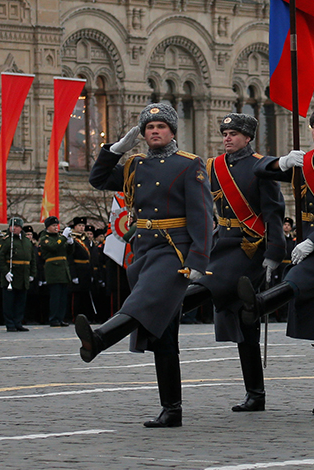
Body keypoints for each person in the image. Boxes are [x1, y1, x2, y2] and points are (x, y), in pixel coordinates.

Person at [76, 103, 213, 428]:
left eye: (160, 126)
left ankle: (99, 340)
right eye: (149, 127)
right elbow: (97, 179)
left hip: (174, 253)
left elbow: (202, 215)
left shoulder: (189, 165)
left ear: (172, 131)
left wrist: (198, 259)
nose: (154, 131)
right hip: (145, 251)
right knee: (163, 335)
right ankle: (172, 409)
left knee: (141, 303)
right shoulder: (135, 164)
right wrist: (114, 151)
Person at [239, 105, 314, 415]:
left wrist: (313, 241)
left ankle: (261, 304)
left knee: (299, 278)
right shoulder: (304, 162)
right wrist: (280, 161)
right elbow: (258, 170)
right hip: (307, 239)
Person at [179, 113, 284, 412]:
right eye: (225, 133)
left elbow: (273, 212)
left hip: (250, 248)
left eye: (234, 134)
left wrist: (275, 252)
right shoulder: (214, 167)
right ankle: (256, 394)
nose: (227, 138)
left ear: (248, 138)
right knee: (244, 321)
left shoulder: (261, 166)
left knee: (210, 284)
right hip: (221, 243)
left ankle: (165, 308)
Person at [0, 217, 35, 332]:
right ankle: (10, 323)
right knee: (9, 302)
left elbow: (32, 258)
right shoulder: (7, 240)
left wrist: (32, 273)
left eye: (17, 226)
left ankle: (18, 322)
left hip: (23, 274)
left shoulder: (27, 241)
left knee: (20, 301)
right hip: (12, 274)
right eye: (12, 226)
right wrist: (5, 272)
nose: (14, 228)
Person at [40, 216, 72, 327]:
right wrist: (63, 237)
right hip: (53, 269)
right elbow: (53, 247)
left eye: (56, 225)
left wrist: (70, 243)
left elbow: (68, 252)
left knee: (63, 296)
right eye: (53, 225)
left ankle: (60, 317)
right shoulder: (45, 237)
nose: (56, 227)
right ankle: (53, 318)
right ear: (48, 227)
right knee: (55, 296)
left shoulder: (59, 237)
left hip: (63, 269)